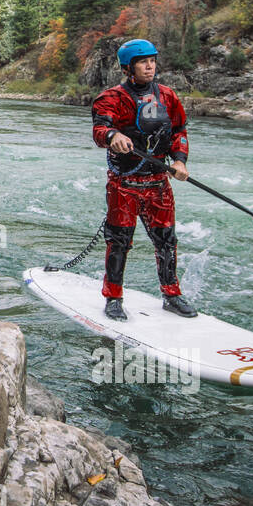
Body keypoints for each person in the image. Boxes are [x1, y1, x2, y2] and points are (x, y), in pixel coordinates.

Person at [89, 39, 196, 321]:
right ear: (128, 68)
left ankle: (171, 295)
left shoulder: (168, 96)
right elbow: (100, 128)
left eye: (152, 61)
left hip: (158, 183)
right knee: (119, 241)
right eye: (142, 62)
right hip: (124, 184)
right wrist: (114, 136)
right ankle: (113, 297)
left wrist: (180, 160)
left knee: (166, 240)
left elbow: (179, 131)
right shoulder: (111, 98)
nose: (150, 66)